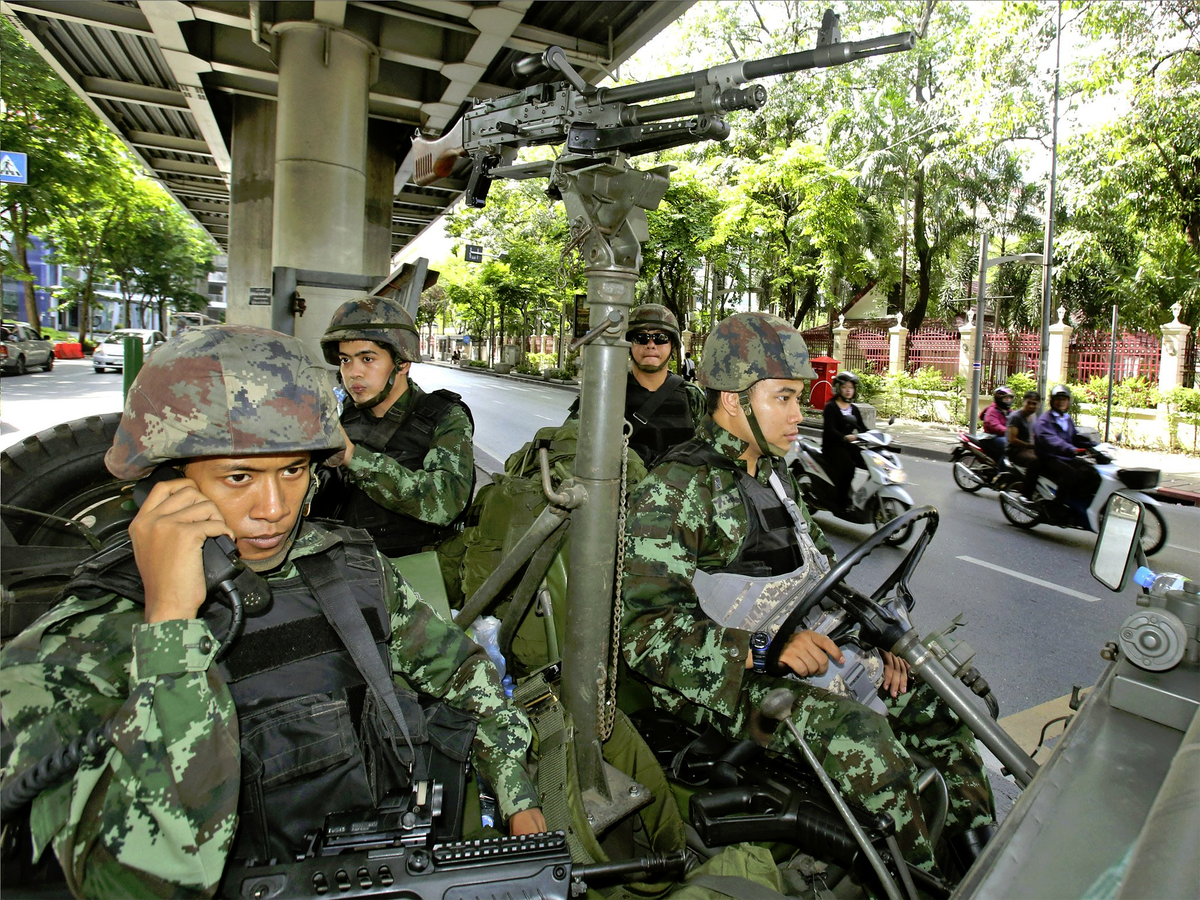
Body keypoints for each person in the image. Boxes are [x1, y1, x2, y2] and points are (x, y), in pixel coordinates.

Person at [0, 326, 543, 899]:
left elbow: (465, 674)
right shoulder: (77, 643)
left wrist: (516, 795)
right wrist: (171, 633)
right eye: (239, 477)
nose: (276, 510)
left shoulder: (346, 567)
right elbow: (148, 883)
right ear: (166, 486)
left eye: (293, 470)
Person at [620, 312, 996, 876]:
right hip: (720, 688)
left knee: (940, 700)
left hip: (805, 654)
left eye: (801, 398)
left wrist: (881, 640)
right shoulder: (676, 491)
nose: (801, 414)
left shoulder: (775, 474)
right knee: (863, 742)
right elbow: (642, 634)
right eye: (785, 398)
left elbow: (824, 576)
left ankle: (980, 865)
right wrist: (766, 649)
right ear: (732, 400)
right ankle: (921, 881)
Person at [319, 296, 474, 558]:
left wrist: (353, 458)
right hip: (342, 561)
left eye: (367, 359)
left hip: (412, 571)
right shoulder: (343, 414)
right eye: (346, 360)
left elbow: (446, 502)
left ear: (402, 363)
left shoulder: (444, 416)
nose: (353, 372)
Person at [567, 303, 704, 469]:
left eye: (661, 338)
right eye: (641, 338)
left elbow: (711, 452)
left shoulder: (692, 396)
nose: (651, 345)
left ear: (673, 346)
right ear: (629, 345)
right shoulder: (605, 394)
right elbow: (570, 444)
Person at [1033, 384, 1100, 512]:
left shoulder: (1067, 419)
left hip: (1066, 456)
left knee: (1090, 471)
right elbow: (1052, 440)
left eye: (1064, 400)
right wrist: (1071, 449)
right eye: (1058, 399)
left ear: (1068, 401)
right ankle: (1056, 507)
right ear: (1052, 401)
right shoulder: (1044, 420)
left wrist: (1094, 447)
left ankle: (1077, 502)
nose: (1061, 402)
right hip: (1049, 457)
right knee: (1070, 474)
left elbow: (1075, 437)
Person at [821, 371, 868, 512]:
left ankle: (865, 497)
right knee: (848, 467)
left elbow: (863, 428)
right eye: (845, 387)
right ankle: (842, 503)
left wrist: (875, 437)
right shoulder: (831, 407)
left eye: (851, 387)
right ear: (838, 389)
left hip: (848, 445)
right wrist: (843, 437)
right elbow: (829, 429)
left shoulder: (854, 409)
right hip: (832, 447)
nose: (848, 390)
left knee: (869, 461)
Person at [1006, 390, 1041, 498]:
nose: (1031, 406)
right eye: (1029, 402)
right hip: (1016, 451)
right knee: (1036, 462)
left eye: (1034, 404)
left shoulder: (1033, 416)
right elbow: (1012, 439)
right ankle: (1027, 494)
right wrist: (1030, 446)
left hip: (1029, 449)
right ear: (1024, 402)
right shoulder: (1016, 417)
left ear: (1038, 405)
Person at [978, 386, 1014, 462]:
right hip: (991, 437)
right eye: (1005, 398)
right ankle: (1001, 471)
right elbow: (994, 426)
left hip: (1005, 436)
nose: (1008, 400)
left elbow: (1017, 421)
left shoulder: (1009, 411)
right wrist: (1008, 431)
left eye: (1009, 398)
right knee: (1008, 448)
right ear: (999, 399)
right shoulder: (992, 411)